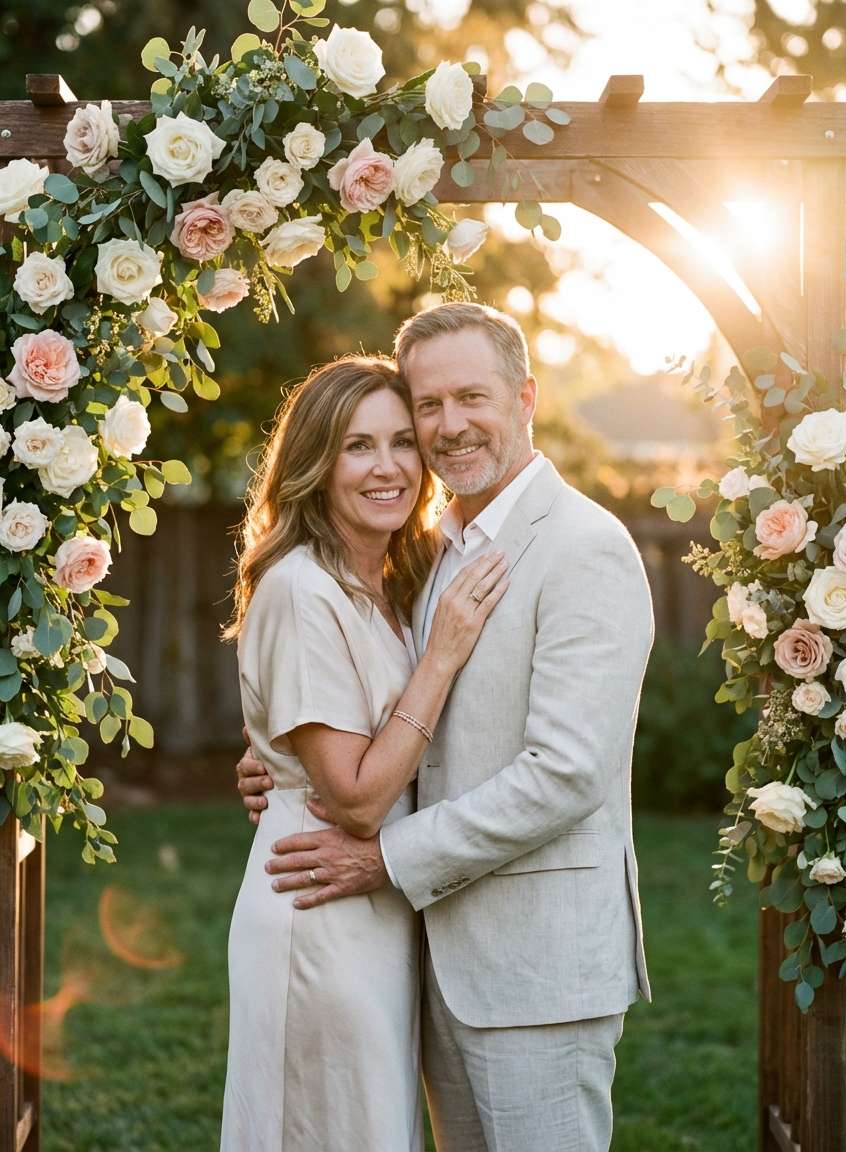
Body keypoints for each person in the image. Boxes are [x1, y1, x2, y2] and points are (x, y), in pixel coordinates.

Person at [237, 302, 655, 1152]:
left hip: (535, 969)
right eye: (429, 405)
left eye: (473, 397)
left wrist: (384, 856)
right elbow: (385, 713)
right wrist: (285, 765)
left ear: (526, 395)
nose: (449, 426)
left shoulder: (584, 547)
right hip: (428, 960)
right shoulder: (430, 548)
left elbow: (566, 773)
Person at [219, 353, 508, 1152]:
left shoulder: (390, 577)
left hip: (377, 910)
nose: (387, 468)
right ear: (315, 463)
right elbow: (352, 798)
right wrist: (441, 658)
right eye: (356, 446)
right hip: (318, 910)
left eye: (400, 442)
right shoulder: (300, 586)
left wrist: (272, 766)